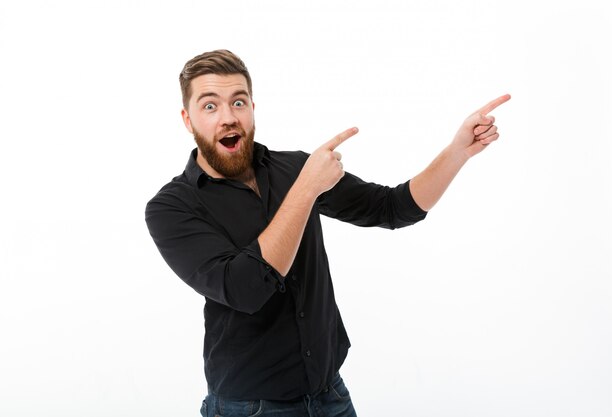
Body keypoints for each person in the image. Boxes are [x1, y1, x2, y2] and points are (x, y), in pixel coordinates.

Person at [145, 49, 510, 417]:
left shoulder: (295, 168)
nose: (228, 117)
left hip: (330, 395)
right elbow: (247, 288)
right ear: (187, 120)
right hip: (249, 408)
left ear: (253, 107)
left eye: (238, 102)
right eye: (210, 106)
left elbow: (393, 208)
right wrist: (307, 190)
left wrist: (458, 152)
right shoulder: (171, 207)